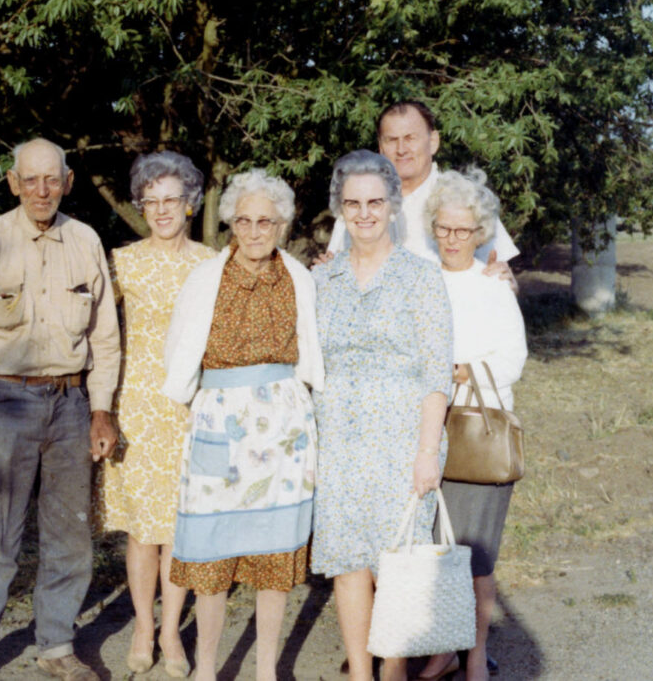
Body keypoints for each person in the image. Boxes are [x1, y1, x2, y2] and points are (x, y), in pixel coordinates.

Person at [0, 138, 120, 681]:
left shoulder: (85, 240)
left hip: (70, 404)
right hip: (1, 403)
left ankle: (57, 645)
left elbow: (105, 337)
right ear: (13, 182)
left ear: (68, 182)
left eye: (52, 179)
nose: (42, 190)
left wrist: (102, 409)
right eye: (31, 180)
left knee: (70, 535)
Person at [162, 169, 324, 681]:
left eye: (266, 222)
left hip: (283, 427)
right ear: (231, 223)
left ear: (282, 225)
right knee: (212, 556)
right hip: (222, 423)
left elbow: (313, 349)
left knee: (275, 555)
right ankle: (207, 668)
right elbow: (179, 348)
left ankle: (266, 670)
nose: (255, 232)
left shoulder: (298, 276)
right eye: (245, 221)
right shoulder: (208, 276)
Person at [311, 150, 453, 681]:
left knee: (397, 565)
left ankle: (394, 669)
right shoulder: (320, 282)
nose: (365, 213)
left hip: (402, 443)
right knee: (348, 564)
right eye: (353, 203)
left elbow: (437, 374)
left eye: (375, 201)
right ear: (339, 209)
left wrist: (425, 453)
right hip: (338, 443)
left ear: (394, 206)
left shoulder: (422, 278)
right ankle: (362, 673)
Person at [94, 151, 215, 677]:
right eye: (151, 201)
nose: (162, 210)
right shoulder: (122, 261)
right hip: (137, 406)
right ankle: (144, 626)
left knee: (180, 529)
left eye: (172, 200)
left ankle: (172, 633)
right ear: (141, 205)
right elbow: (95, 330)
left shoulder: (212, 262)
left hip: (191, 406)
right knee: (144, 529)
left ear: (190, 204)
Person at [416, 168, 528, 681]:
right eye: (444, 228)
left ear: (480, 232)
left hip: (476, 435)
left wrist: (462, 371)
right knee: (432, 552)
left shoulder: (493, 286)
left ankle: (476, 656)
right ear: (432, 227)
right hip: (424, 431)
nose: (454, 239)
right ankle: (441, 650)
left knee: (475, 557)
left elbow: (513, 359)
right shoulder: (417, 281)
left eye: (464, 230)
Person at [320, 101, 519, 289]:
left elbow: (502, 277)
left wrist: (506, 285)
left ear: (433, 141)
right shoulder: (359, 204)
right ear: (380, 148)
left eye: (410, 138)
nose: (401, 150)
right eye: (391, 140)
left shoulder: (464, 199)